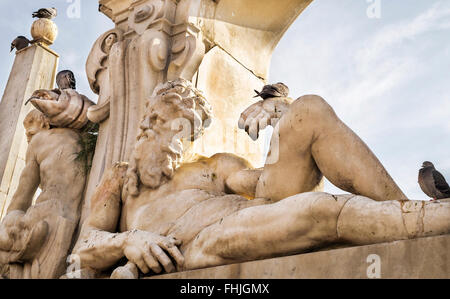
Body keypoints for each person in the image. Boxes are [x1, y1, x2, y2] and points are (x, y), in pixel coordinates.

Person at [72, 79, 450, 278]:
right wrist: (128, 242)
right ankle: (432, 220)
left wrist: (280, 113)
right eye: (163, 126)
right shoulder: (121, 179)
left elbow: (265, 187)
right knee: (318, 212)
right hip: (199, 244)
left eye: (183, 131)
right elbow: (85, 246)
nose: (172, 140)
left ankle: (410, 211)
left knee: (309, 109)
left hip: (238, 218)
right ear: (147, 123)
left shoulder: (213, 165)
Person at [0, 110, 87, 278]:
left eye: (31, 133)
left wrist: (8, 222)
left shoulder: (39, 142)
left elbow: (21, 198)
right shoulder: (81, 139)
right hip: (74, 221)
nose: (28, 139)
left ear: (46, 125)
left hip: (46, 219)